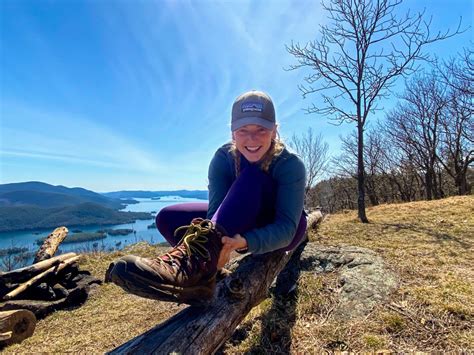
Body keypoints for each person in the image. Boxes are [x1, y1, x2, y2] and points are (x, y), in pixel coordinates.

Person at [105, 90, 307, 306]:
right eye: (243, 130)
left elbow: (286, 227)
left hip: (284, 229)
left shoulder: (290, 164)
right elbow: (215, 214)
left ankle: (194, 269)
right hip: (239, 215)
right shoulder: (223, 158)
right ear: (232, 133)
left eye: (261, 129)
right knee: (166, 218)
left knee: (253, 177)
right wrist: (218, 245)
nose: (252, 138)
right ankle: (202, 273)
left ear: (274, 131)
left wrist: (245, 242)